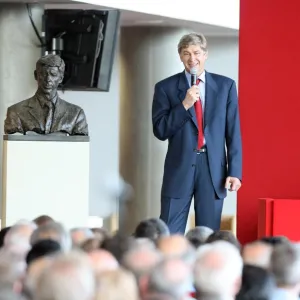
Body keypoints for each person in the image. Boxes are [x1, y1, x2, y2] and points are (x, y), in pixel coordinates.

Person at [152, 32, 242, 234]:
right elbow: (160, 130)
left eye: (196, 52)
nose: (192, 58)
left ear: (205, 54)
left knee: (207, 235)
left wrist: (235, 171)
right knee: (169, 233)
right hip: (179, 167)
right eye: (186, 53)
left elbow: (233, 131)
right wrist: (184, 104)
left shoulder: (226, 86)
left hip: (213, 171)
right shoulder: (165, 88)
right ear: (180, 56)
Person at [4, 54, 88, 136]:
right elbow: (13, 147)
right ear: (36, 75)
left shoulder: (76, 114)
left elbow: (80, 147)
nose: (48, 79)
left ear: (61, 78)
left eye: (53, 74)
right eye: (43, 74)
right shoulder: (16, 112)